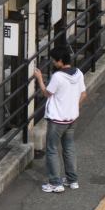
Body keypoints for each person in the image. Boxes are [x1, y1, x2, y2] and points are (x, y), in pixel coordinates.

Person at [33, 45, 87, 193]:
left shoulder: (58, 77)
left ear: (60, 61)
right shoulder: (78, 73)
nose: (52, 62)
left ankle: (55, 183)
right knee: (69, 148)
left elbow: (47, 93)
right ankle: (72, 180)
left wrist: (39, 78)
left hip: (57, 120)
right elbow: (83, 94)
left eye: (53, 60)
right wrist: (75, 108)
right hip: (72, 118)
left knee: (51, 150)